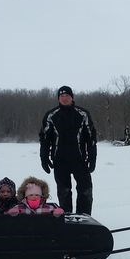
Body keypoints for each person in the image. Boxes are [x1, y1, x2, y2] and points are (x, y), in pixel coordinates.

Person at [39, 85, 97, 214]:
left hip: (80, 160)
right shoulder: (51, 116)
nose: (64, 98)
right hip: (60, 162)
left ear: (72, 97)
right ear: (58, 98)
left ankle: (84, 217)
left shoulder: (83, 114)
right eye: (62, 96)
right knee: (64, 192)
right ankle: (66, 218)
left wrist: (92, 158)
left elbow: (91, 138)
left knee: (85, 191)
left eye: (67, 96)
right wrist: (44, 157)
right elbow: (44, 139)